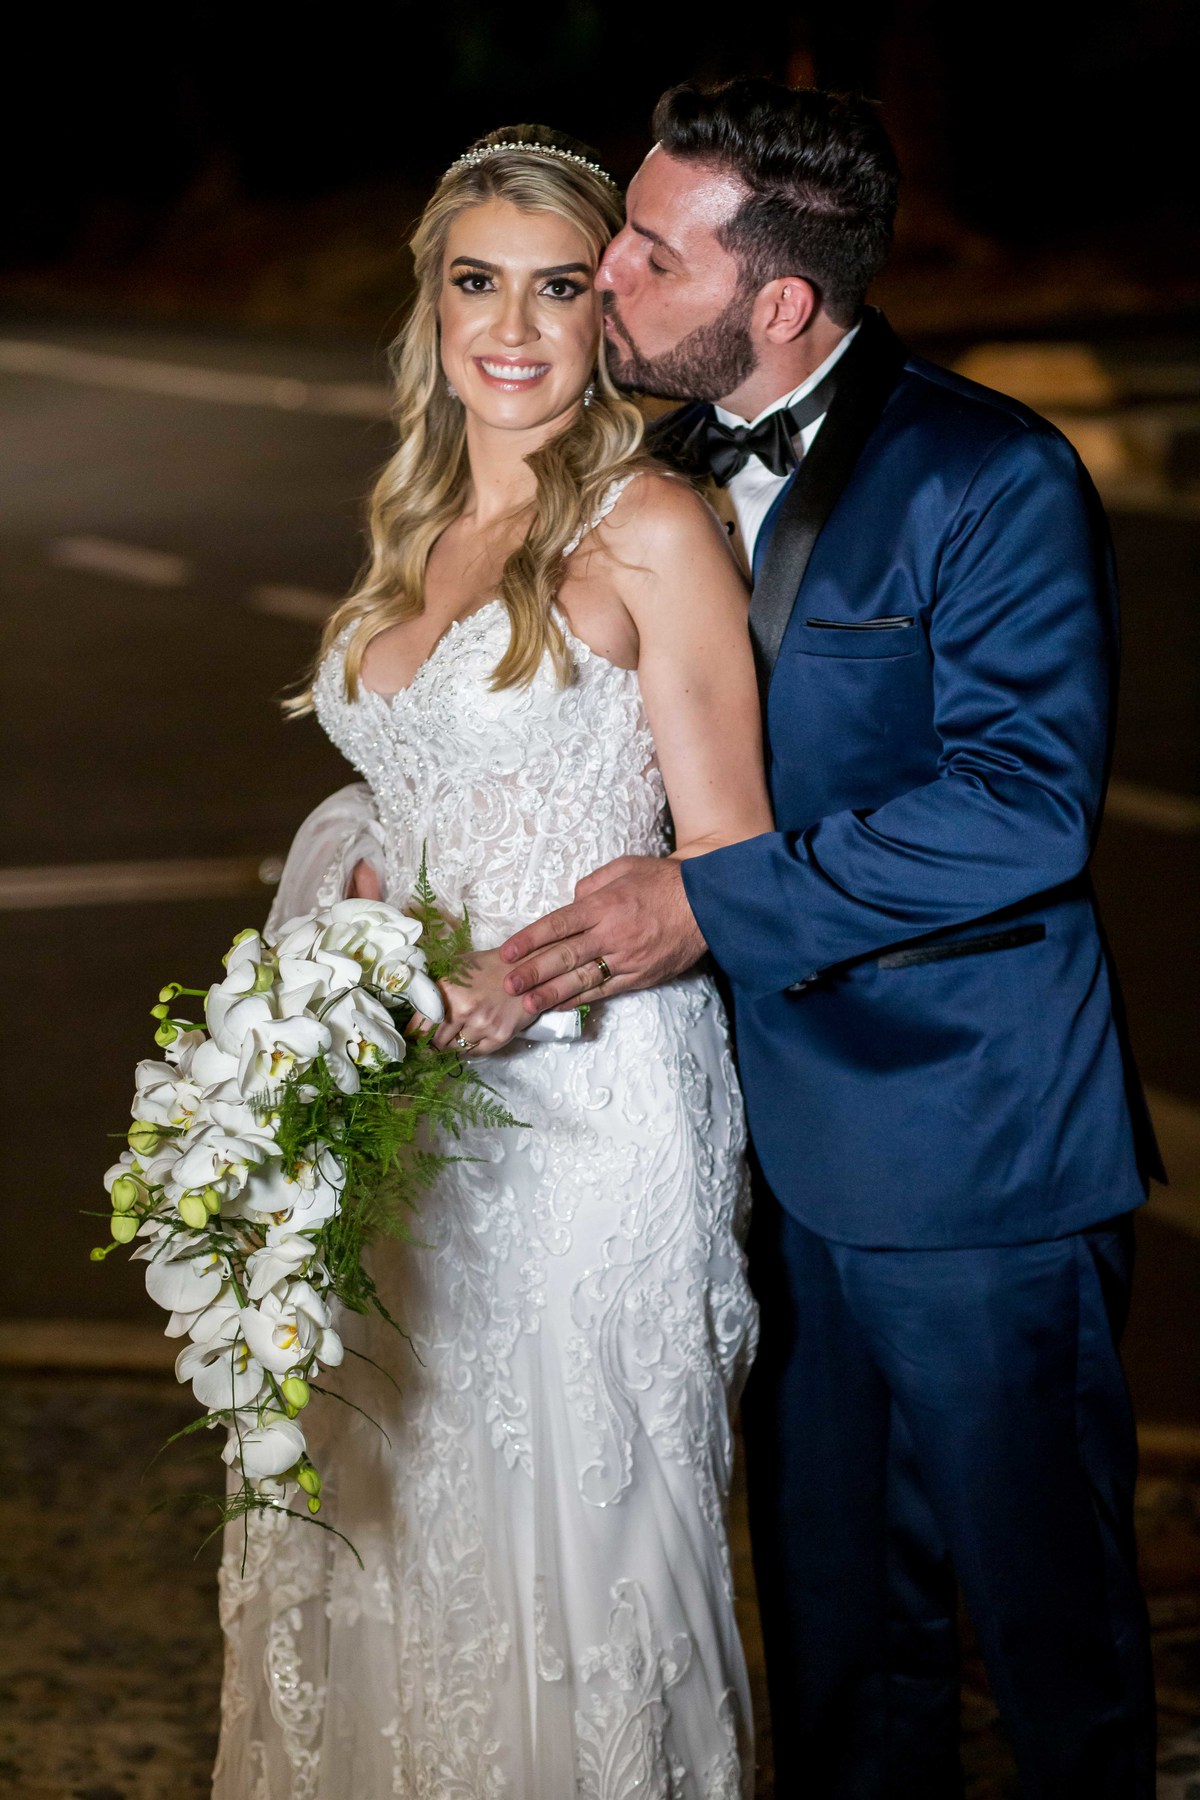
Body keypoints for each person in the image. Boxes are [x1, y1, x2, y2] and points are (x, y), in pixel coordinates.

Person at [501, 79, 1164, 1798]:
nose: (607, 274)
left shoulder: (991, 472)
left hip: (974, 1156)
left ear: (774, 299)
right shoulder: (643, 473)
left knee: (1048, 1636)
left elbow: (1021, 809)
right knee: (834, 1640)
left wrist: (709, 904)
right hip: (737, 1156)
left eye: (648, 254)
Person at [212, 123, 770, 1798]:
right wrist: (350, 930)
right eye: (477, 285)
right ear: (432, 305)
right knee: (390, 1531)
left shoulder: (653, 524)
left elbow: (731, 859)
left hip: (594, 1117)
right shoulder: (422, 514)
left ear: (609, 314)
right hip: (400, 1117)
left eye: (555, 290)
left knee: (574, 1554)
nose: (512, 330)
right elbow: (403, 799)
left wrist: (527, 983)